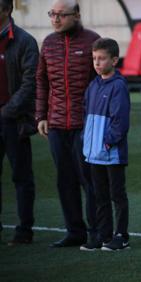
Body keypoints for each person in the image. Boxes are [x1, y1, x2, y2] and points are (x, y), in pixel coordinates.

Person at [35, 0, 100, 248]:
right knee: (65, 180)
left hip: (85, 125)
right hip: (56, 124)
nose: (55, 19)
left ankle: (96, 231)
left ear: (77, 15)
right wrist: (41, 115)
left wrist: (96, 121)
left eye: (61, 15)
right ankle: (75, 232)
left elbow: (101, 82)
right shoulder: (48, 43)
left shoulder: (93, 40)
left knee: (89, 180)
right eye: (52, 14)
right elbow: (41, 81)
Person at [80, 38, 130, 252]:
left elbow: (120, 121)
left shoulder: (118, 86)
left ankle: (121, 235)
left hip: (111, 154)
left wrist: (108, 142)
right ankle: (104, 234)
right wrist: (86, 140)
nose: (97, 63)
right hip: (93, 154)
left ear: (114, 60)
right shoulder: (93, 85)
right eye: (94, 58)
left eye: (101, 58)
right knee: (99, 196)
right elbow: (86, 115)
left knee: (116, 195)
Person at [0, 0, 38, 245]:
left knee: (21, 177)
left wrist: (7, 111)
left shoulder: (24, 41)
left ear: (6, 10)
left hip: (14, 120)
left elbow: (30, 81)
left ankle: (24, 230)